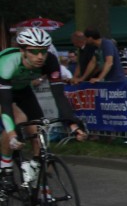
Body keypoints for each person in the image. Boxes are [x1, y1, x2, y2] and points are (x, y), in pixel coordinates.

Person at [0, 28, 87, 194]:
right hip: (2, 91)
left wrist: (72, 124)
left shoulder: (51, 61)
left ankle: (43, 189)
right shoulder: (7, 63)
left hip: (23, 89)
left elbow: (59, 96)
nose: (40, 56)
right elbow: (5, 104)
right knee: (19, 119)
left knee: (39, 133)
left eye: (43, 51)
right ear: (22, 51)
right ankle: (5, 168)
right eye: (34, 51)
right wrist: (11, 134)